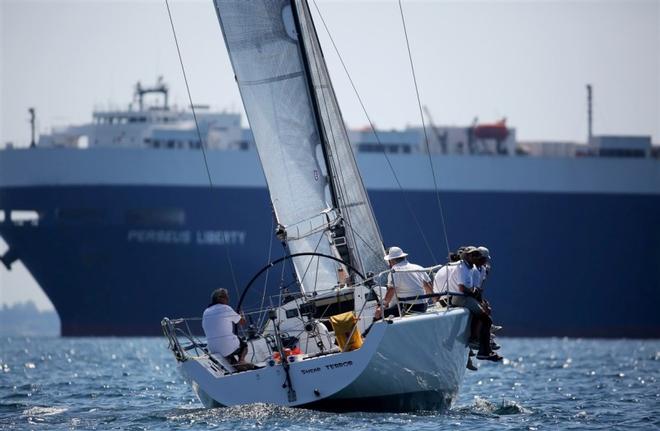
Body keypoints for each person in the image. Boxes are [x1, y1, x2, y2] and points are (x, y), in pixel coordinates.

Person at [447, 247, 501, 362]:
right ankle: (483, 351)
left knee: (483, 315)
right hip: (461, 298)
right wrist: (474, 292)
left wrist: (475, 293)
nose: (476, 257)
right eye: (474, 255)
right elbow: (462, 288)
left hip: (466, 297)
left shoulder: (471, 268)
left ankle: (478, 343)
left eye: (477, 255)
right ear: (468, 256)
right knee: (486, 319)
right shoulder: (463, 267)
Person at [374, 246, 434, 320]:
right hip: (423, 306)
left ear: (391, 260)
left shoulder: (394, 271)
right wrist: (435, 300)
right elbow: (428, 286)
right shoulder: (418, 267)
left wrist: (381, 307)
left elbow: (391, 291)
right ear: (403, 257)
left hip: (408, 308)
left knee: (378, 316)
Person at [202, 288, 248, 364]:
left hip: (212, 349)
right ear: (219, 298)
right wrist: (242, 315)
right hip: (226, 347)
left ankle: (235, 365)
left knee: (228, 348)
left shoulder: (206, 311)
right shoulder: (226, 308)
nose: (228, 299)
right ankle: (241, 361)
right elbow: (243, 322)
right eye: (226, 297)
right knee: (244, 345)